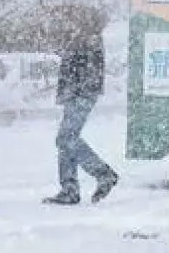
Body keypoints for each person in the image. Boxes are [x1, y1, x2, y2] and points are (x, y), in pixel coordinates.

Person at [43, 14, 119, 206]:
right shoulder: (82, 37)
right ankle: (70, 189)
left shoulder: (87, 37)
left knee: (66, 138)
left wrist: (69, 50)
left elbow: (84, 67)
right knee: (67, 140)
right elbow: (76, 61)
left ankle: (102, 174)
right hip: (76, 93)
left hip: (81, 94)